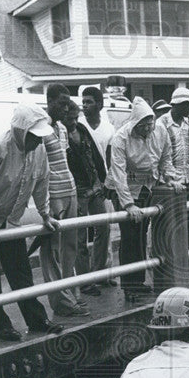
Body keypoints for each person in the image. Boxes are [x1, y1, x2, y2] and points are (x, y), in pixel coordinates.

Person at [0, 101, 64, 341]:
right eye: (34, 136)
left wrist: (45, 214)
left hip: (12, 222)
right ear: (21, 131)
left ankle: (37, 320)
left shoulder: (38, 151)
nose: (38, 141)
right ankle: (1, 324)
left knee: (21, 273)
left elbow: (41, 182)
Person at [104, 96, 182, 302]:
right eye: (143, 125)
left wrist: (170, 178)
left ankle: (138, 281)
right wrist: (128, 203)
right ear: (135, 123)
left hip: (147, 184)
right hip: (124, 187)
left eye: (150, 123)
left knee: (142, 231)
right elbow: (118, 173)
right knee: (129, 233)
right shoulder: (120, 138)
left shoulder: (160, 131)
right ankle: (129, 285)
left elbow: (165, 159)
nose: (148, 129)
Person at [44, 84, 87, 317]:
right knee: (53, 250)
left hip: (69, 190)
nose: (66, 106)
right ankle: (61, 302)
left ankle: (72, 295)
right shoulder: (40, 128)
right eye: (61, 102)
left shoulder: (62, 128)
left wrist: (75, 194)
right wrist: (45, 204)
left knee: (70, 247)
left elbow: (65, 160)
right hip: (53, 195)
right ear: (49, 100)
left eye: (67, 101)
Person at [157, 87, 189, 277]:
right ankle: (170, 265)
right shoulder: (161, 124)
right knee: (170, 225)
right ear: (175, 105)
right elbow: (159, 154)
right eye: (186, 104)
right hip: (170, 182)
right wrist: (167, 178)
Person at [63, 100, 108, 297]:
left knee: (104, 227)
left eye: (75, 117)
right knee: (79, 238)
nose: (73, 121)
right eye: (70, 118)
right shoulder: (60, 133)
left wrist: (101, 181)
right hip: (77, 190)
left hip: (93, 185)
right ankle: (84, 281)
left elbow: (95, 156)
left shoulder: (81, 128)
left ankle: (98, 273)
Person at [78, 86, 117, 283]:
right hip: (82, 186)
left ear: (100, 105)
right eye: (83, 102)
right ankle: (86, 278)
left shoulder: (109, 128)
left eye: (89, 102)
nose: (84, 106)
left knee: (104, 230)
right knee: (81, 232)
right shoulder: (77, 125)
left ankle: (103, 273)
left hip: (103, 184)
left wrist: (109, 182)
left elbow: (110, 158)